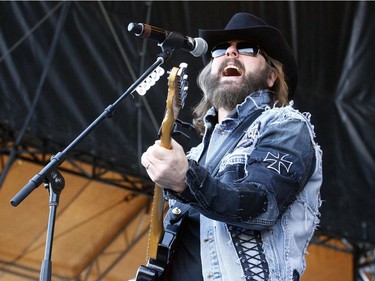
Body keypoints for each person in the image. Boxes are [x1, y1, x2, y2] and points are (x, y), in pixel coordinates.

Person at [141, 12, 322, 281]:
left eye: (246, 48)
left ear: (272, 76)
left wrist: (186, 181)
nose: (231, 53)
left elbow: (262, 203)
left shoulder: (287, 126)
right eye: (220, 49)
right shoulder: (194, 155)